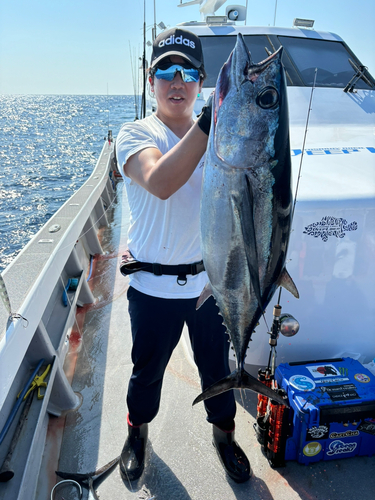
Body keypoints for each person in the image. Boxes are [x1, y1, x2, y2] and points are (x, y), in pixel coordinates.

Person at [116, 27, 251, 484]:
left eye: (188, 72)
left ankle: (225, 436)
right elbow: (160, 181)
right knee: (146, 373)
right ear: (150, 79)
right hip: (151, 288)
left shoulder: (224, 133)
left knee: (217, 369)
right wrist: (211, 121)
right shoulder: (135, 133)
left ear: (201, 80)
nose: (177, 81)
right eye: (165, 71)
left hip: (211, 284)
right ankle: (137, 434)